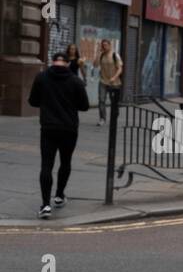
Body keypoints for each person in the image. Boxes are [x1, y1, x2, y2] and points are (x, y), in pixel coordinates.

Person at [28, 51, 89, 219]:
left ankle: (45, 205)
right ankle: (59, 195)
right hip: (69, 128)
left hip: (48, 127)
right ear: (68, 63)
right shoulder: (75, 81)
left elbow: (32, 101)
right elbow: (84, 106)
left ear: (52, 61)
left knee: (46, 165)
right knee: (65, 162)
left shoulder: (41, 78)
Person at [94, 39, 123, 127]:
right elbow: (95, 65)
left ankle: (114, 118)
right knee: (101, 100)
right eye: (103, 45)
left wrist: (114, 77)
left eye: (106, 45)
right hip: (103, 81)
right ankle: (102, 118)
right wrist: (98, 53)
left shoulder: (115, 55)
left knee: (114, 102)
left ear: (110, 45)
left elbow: (120, 68)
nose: (104, 47)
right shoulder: (102, 55)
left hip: (114, 83)